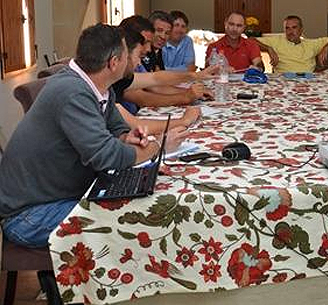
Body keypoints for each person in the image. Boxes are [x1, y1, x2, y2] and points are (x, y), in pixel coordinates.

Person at [0, 24, 189, 249]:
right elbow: (105, 156)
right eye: (127, 55)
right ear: (113, 62)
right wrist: (159, 145)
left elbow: (117, 130)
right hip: (30, 215)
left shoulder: (97, 87)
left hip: (58, 196)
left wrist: (128, 138)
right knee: (134, 222)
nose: (132, 61)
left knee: (141, 205)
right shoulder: (72, 92)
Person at [115, 15, 217, 113]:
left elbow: (155, 80)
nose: (148, 48)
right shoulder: (119, 72)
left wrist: (193, 85)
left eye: (167, 32)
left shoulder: (150, 55)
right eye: (144, 42)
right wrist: (185, 97)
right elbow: (143, 98)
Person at [119, 26, 201, 134]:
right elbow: (137, 123)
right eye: (138, 55)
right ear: (119, 59)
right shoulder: (113, 84)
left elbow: (155, 79)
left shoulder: (122, 78)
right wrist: (183, 120)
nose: (139, 62)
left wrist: (195, 77)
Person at [254, 15, 328, 73]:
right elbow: (250, 40)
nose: (290, 31)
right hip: (284, 82)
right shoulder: (276, 41)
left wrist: (326, 47)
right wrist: (268, 49)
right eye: (287, 28)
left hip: (308, 82)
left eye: (294, 28)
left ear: (301, 30)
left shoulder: (311, 44)